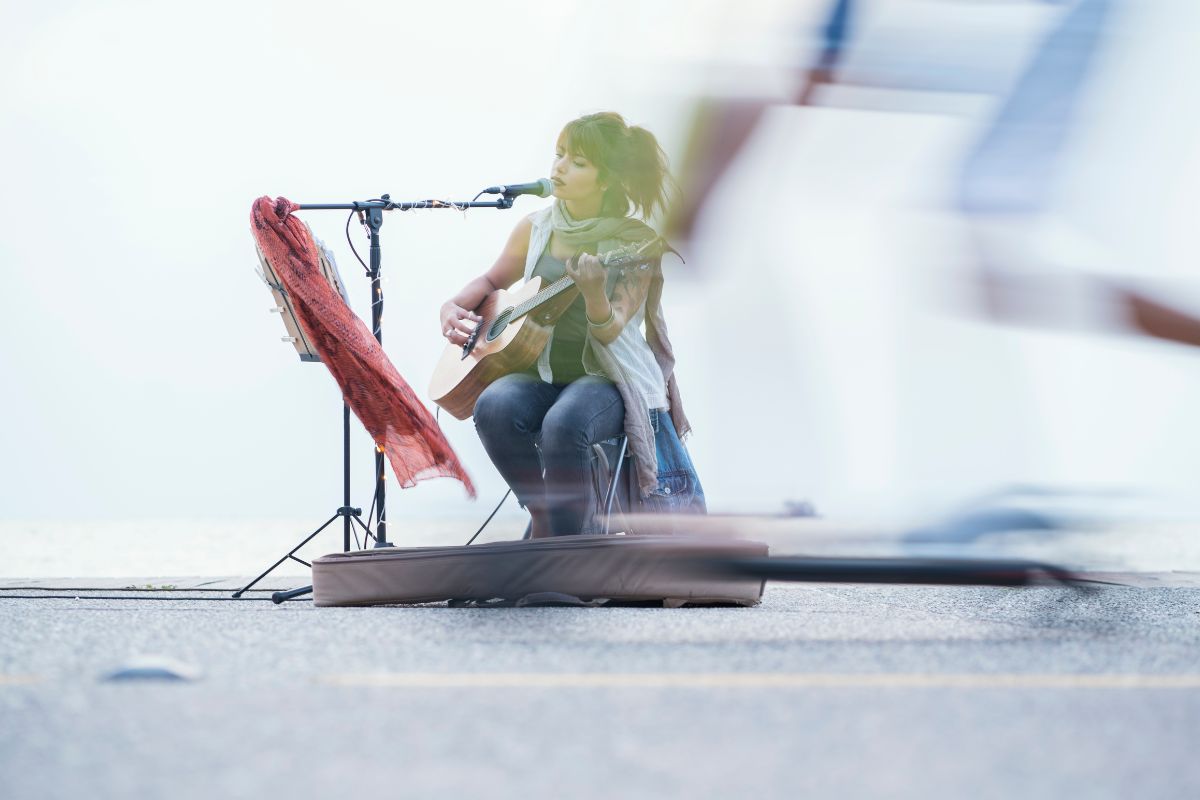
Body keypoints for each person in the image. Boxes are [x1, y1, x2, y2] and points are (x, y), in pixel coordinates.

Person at [439, 112, 704, 538]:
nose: (559, 167)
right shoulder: (537, 227)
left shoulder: (634, 244)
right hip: (543, 372)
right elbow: (491, 281)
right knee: (494, 406)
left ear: (606, 180)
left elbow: (612, 329)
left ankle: (567, 545)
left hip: (610, 379)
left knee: (564, 424)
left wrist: (596, 294)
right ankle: (545, 518)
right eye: (559, 154)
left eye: (578, 162)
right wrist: (451, 308)